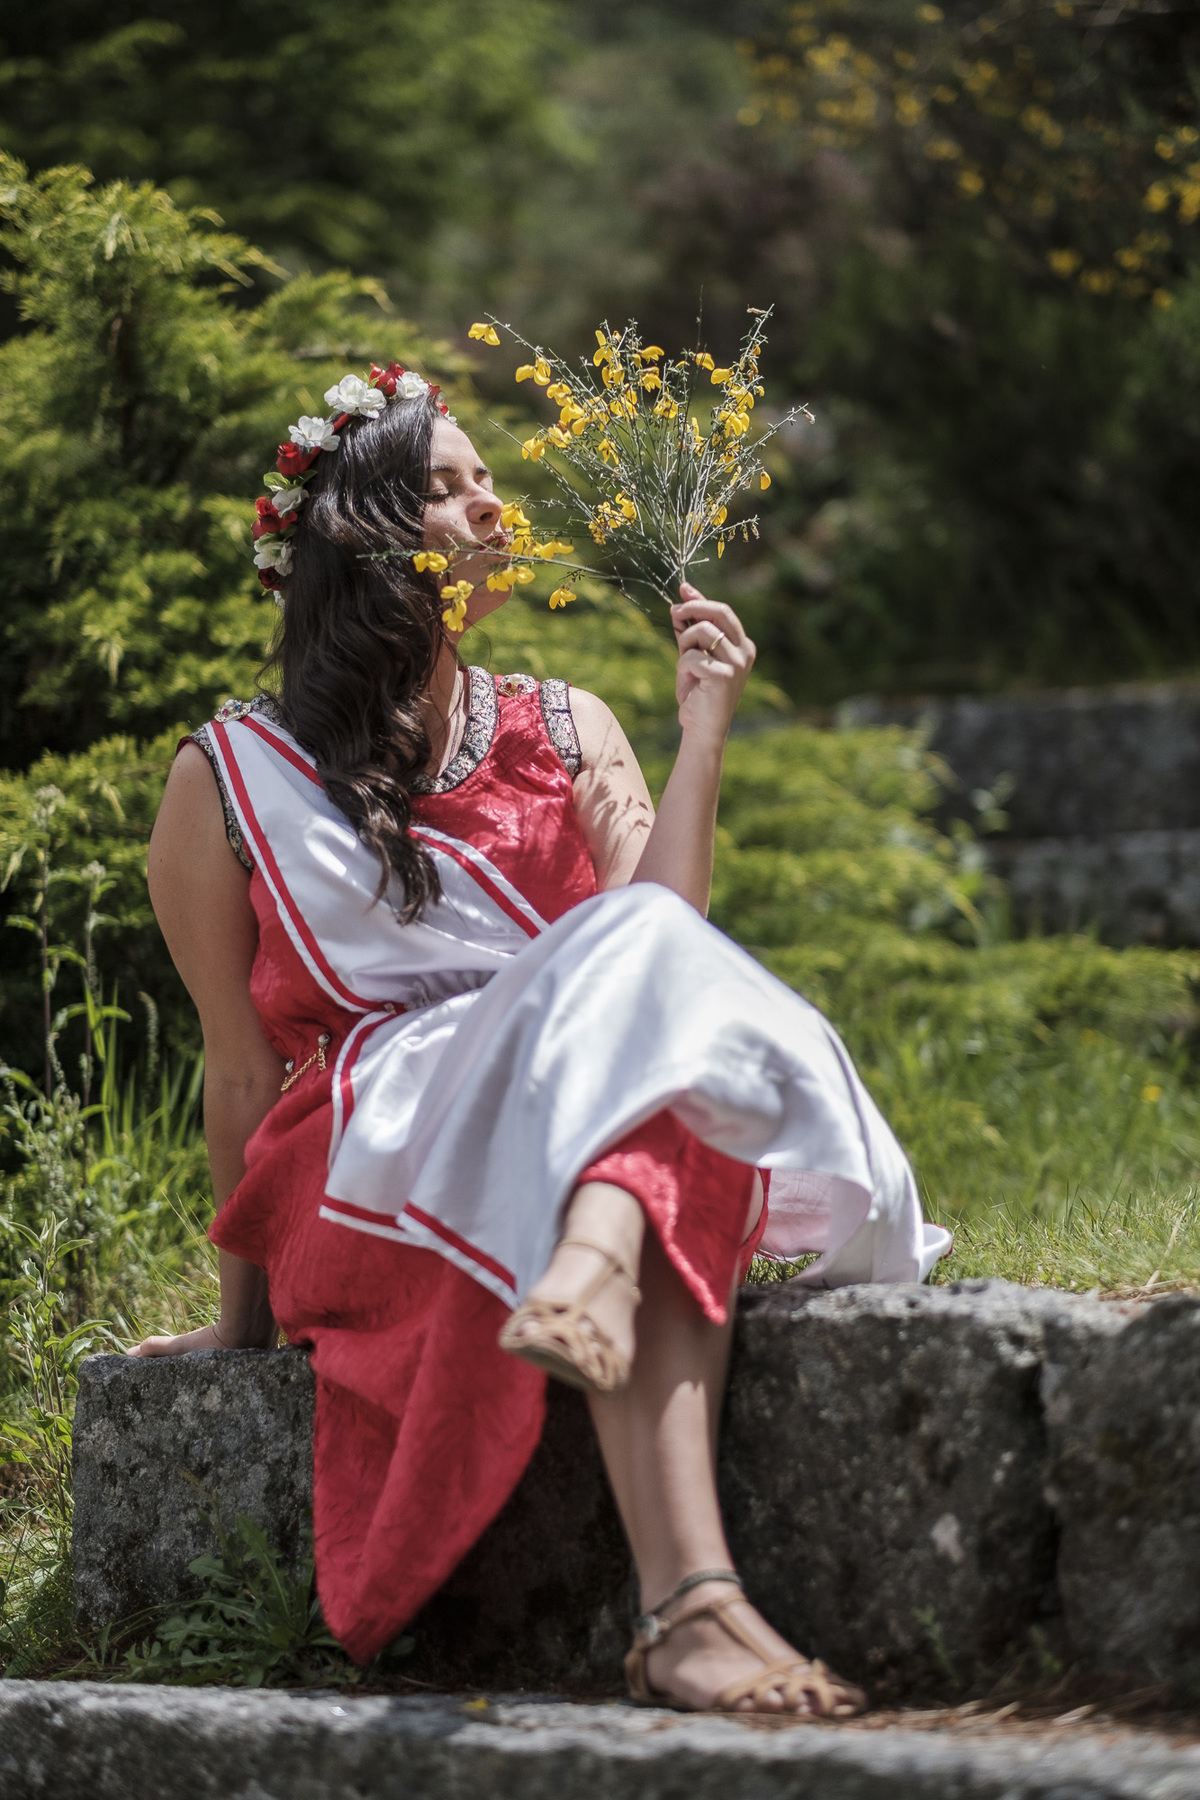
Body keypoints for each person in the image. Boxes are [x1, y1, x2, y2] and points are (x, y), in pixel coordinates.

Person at [132, 361, 950, 1716]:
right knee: (651, 1090)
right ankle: (682, 1564)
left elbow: (665, 948)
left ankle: (692, 1606)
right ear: (363, 533)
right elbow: (237, 1067)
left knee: (658, 1089)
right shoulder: (228, 778)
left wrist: (702, 733)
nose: (493, 506)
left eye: (490, 478)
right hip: (371, 1152)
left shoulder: (571, 722)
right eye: (448, 487)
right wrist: (241, 1325)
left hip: (580, 1104)